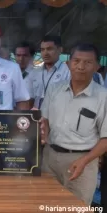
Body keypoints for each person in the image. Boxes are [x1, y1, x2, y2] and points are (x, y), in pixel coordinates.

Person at [40, 43, 107, 205]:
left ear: (97, 66)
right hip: (50, 158)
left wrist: (85, 161)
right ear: (68, 64)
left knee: (77, 206)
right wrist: (42, 134)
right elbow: (45, 120)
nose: (81, 66)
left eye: (88, 62)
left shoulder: (103, 97)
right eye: (76, 61)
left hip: (82, 162)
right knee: (46, 205)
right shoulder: (54, 90)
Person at [32, 35, 70, 108]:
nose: (45, 53)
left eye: (49, 49)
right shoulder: (35, 72)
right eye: (42, 49)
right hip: (36, 116)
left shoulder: (67, 72)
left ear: (60, 50)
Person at [14, 41, 37, 107]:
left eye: (25, 55)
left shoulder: (37, 75)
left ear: (31, 56)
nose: (21, 59)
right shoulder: (10, 74)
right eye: (18, 55)